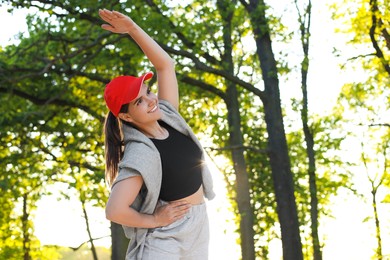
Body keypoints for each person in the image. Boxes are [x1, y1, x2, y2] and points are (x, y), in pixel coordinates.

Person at [98, 9, 215, 260]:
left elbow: (165, 65)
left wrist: (132, 29)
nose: (151, 100)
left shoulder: (169, 117)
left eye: (148, 91)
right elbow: (114, 210)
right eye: (139, 102)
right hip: (166, 238)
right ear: (126, 117)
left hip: (197, 227)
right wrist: (153, 220)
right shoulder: (139, 153)